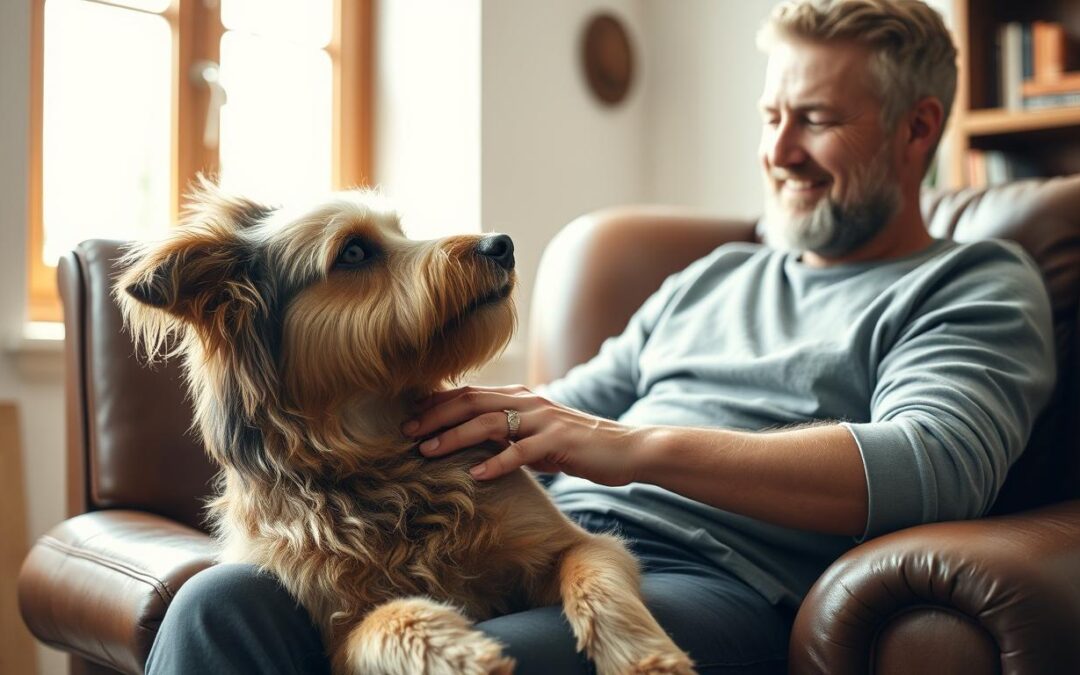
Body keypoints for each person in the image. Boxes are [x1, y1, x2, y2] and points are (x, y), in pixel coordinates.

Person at [146, 1, 1056, 674]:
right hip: (554, 535)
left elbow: (931, 464)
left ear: (918, 131)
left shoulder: (972, 283)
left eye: (815, 120)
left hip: (713, 581)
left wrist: (631, 450)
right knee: (217, 606)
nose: (778, 151)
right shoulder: (716, 276)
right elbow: (568, 409)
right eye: (771, 117)